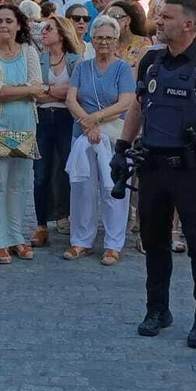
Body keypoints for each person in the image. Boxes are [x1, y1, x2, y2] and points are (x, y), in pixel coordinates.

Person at [120, 0, 196, 348]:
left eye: (167, 16)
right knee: (154, 242)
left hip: (190, 170)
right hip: (153, 166)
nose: (159, 20)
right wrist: (122, 147)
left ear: (189, 24)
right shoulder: (151, 60)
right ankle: (157, 309)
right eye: (159, 15)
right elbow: (139, 108)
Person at [0, 2, 45, 262]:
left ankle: (15, 237)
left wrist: (17, 88)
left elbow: (40, 87)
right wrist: (25, 89)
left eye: (8, 21)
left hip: (25, 124)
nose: (3, 25)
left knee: (18, 184)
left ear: (19, 25)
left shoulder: (29, 52)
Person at [65, 15, 137, 265]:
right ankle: (81, 240)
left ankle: (113, 244)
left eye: (109, 37)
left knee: (113, 188)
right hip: (85, 134)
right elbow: (71, 99)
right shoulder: (82, 67)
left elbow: (126, 102)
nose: (104, 42)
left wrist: (95, 118)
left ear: (117, 40)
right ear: (91, 40)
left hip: (115, 136)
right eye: (99, 37)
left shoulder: (122, 68)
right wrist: (88, 123)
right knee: (82, 188)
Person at [33, 14, 81, 246]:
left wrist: (47, 89)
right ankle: (41, 223)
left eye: (48, 28)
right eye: (43, 28)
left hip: (67, 118)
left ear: (61, 34)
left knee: (67, 169)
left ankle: (66, 214)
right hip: (42, 118)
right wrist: (56, 90)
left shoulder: (74, 60)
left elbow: (75, 91)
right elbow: (34, 92)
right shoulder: (38, 59)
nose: (44, 32)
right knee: (40, 173)